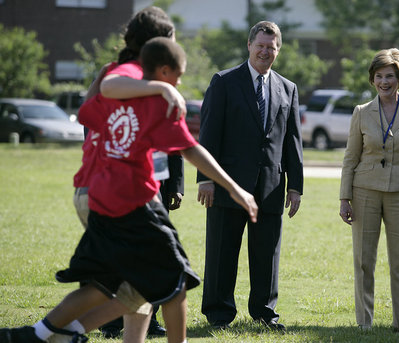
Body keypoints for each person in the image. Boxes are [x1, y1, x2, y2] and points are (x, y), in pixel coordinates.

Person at [0, 37, 258, 343]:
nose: (179, 82)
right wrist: (235, 188)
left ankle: (46, 334)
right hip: (135, 205)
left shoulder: (111, 98)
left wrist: (112, 74)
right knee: (175, 282)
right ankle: (53, 333)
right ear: (163, 70)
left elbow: (90, 108)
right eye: (178, 75)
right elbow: (189, 149)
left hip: (100, 201)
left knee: (108, 286)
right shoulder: (156, 103)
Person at [72, 6, 183, 339]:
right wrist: (161, 89)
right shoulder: (132, 74)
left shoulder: (133, 75)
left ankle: (55, 331)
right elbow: (103, 96)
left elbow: (87, 114)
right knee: (156, 277)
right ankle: (51, 332)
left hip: (111, 190)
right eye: (173, 41)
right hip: (115, 193)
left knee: (137, 284)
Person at [197, 21, 303, 330]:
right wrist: (205, 179)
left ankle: (264, 313)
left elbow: (293, 141)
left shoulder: (288, 88)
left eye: (272, 47)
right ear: (249, 45)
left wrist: (295, 186)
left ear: (278, 50)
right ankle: (218, 314)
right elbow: (209, 134)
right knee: (221, 252)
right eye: (261, 45)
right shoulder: (224, 82)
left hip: (270, 187)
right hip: (227, 185)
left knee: (266, 255)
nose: (266, 52)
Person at [339, 48, 399, 334]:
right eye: (378, 76)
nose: (384, 82)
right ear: (372, 79)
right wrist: (344, 198)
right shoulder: (361, 112)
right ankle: (364, 322)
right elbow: (350, 158)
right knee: (364, 260)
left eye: (389, 76)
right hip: (364, 190)